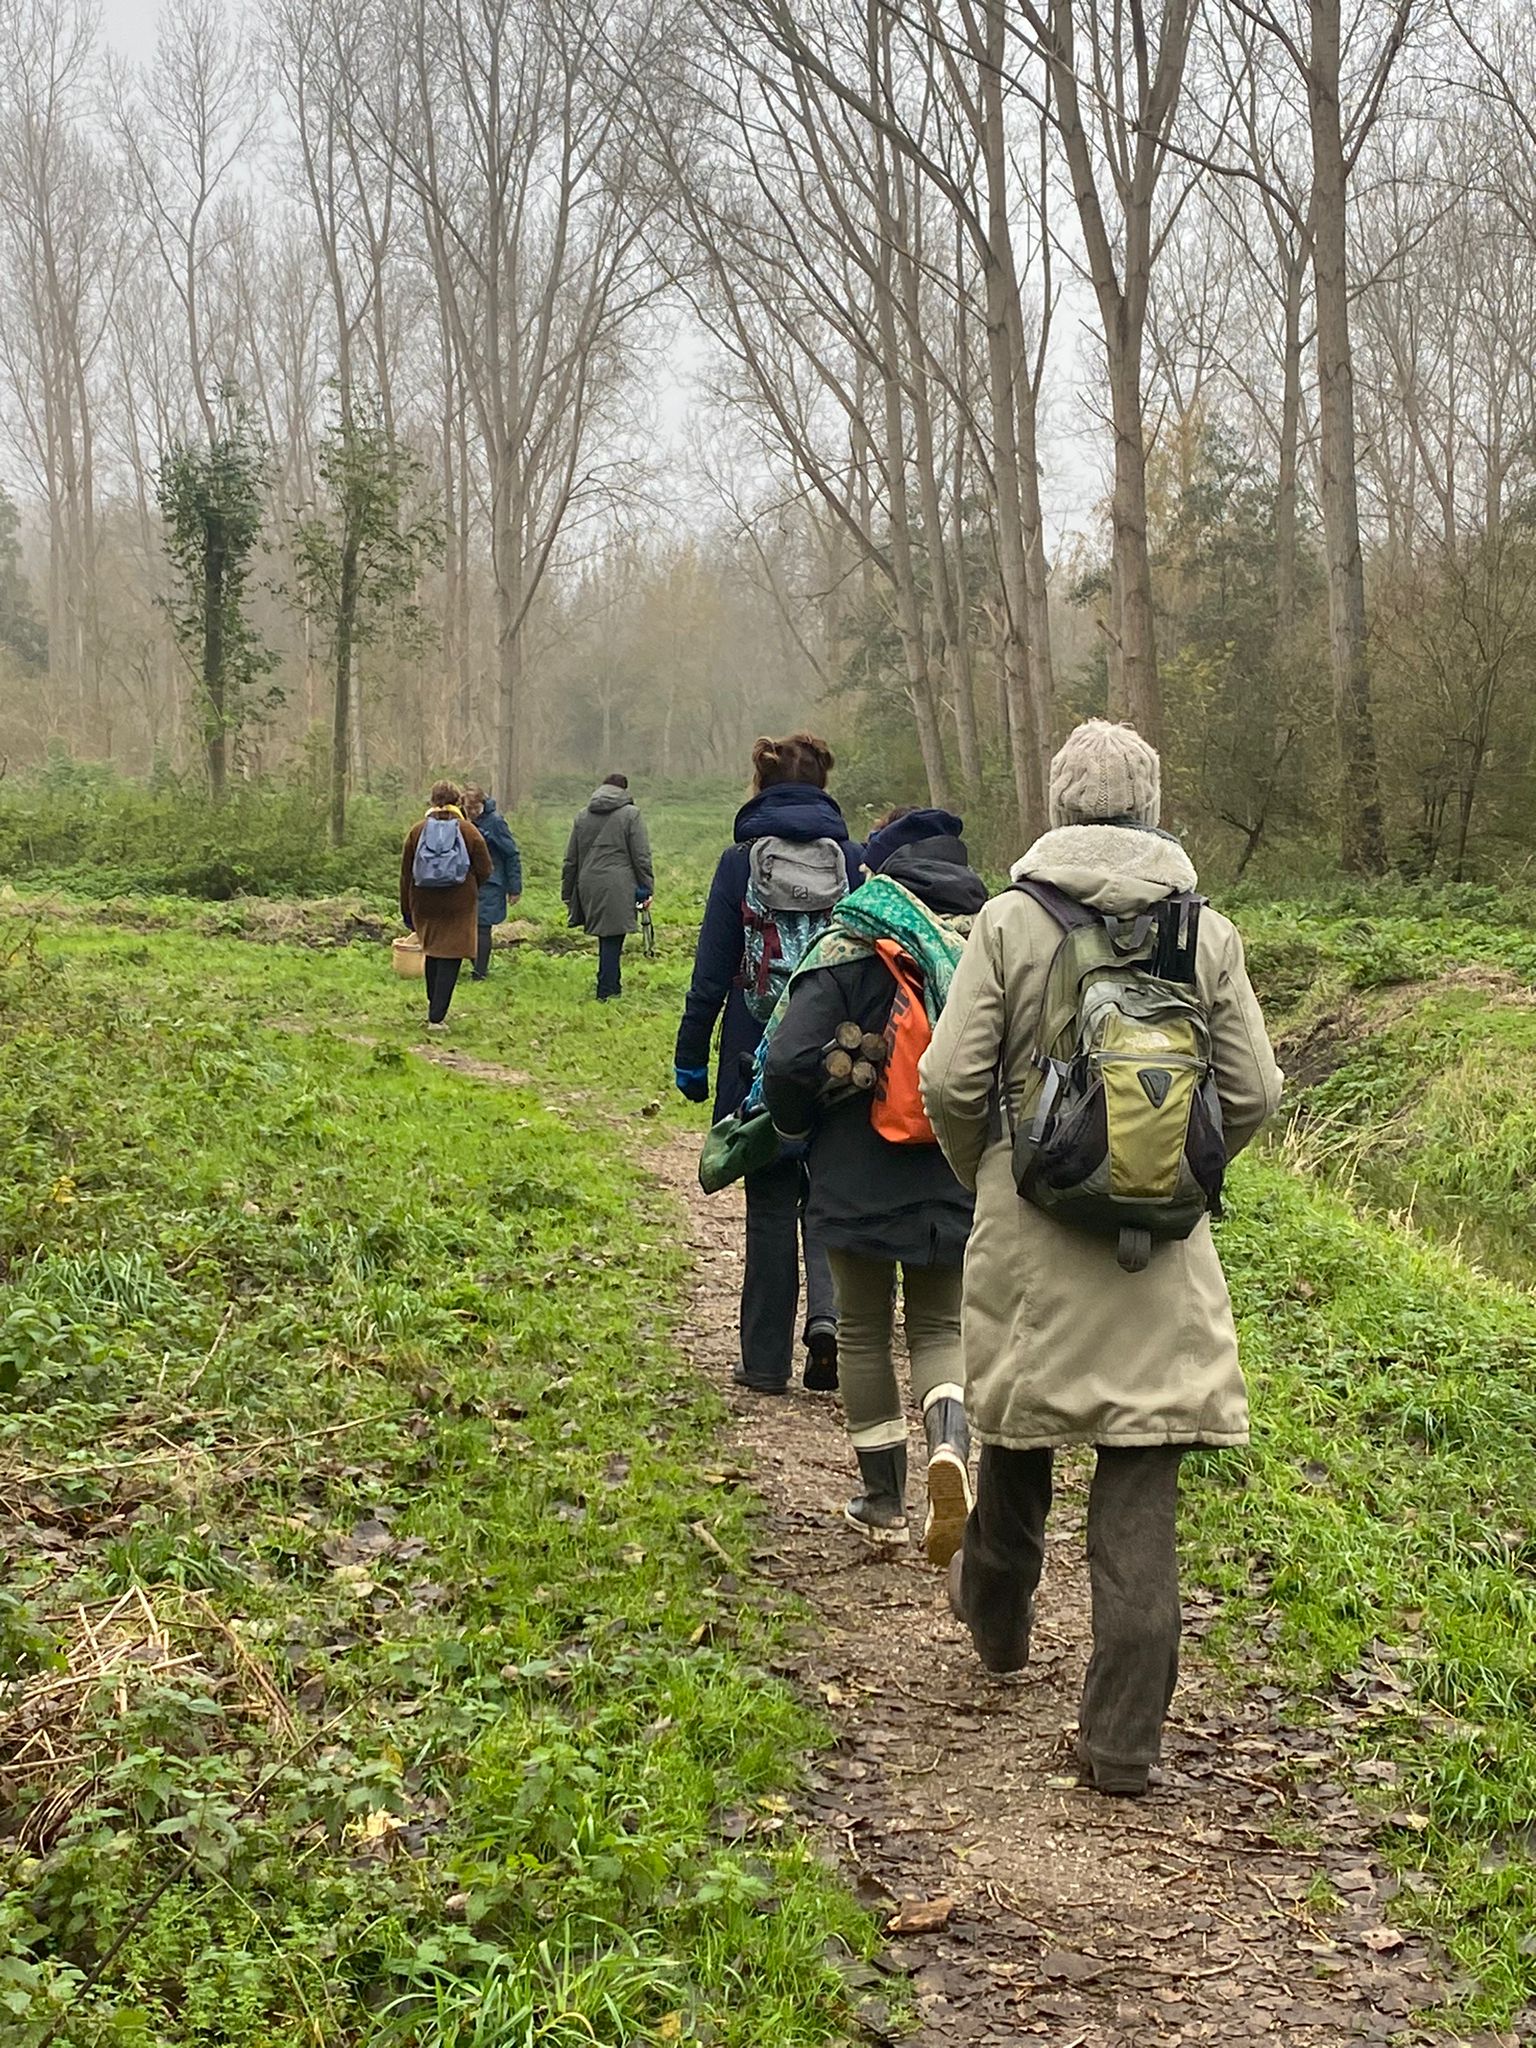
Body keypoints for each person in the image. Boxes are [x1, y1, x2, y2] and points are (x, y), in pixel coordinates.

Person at [921, 720, 1283, 1797]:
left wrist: (986, 1165)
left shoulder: (1008, 920)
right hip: (1158, 1251)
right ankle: (1122, 1744)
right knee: (1139, 1479)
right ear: (1152, 803)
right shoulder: (1204, 929)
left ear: (1061, 801)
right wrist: (1180, 1165)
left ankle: (997, 1623)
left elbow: (949, 1077)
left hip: (1031, 1231)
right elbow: (1257, 1088)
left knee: (1019, 1435)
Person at [761, 807, 988, 1563]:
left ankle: (883, 1500)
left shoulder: (854, 940)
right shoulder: (987, 943)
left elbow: (790, 1061)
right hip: (956, 1165)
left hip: (858, 1170)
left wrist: (796, 1127)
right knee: (940, 1329)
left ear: (883, 869)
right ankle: (950, 1449)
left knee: (861, 1329)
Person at [674, 733, 863, 1395]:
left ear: (762, 786)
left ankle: (762, 1363)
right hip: (842, 1056)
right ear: (822, 787)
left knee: (772, 1203)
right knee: (830, 1197)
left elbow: (709, 973)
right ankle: (828, 1321)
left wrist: (691, 1057)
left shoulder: (739, 864)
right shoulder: (853, 861)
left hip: (760, 1059)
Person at [400, 780, 492, 1031]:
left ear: (432, 801)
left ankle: (434, 1008)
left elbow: (406, 874)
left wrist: (407, 909)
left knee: (432, 950)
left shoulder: (417, 831)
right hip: (458, 904)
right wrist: (469, 887)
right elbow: (485, 869)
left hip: (424, 901)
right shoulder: (468, 830)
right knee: (450, 955)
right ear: (458, 801)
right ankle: (437, 1017)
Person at [562, 773, 654, 1001]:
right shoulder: (631, 815)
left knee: (608, 937)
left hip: (588, 883)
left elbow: (571, 859)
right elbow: (641, 856)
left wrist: (567, 893)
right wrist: (647, 887)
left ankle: (611, 986)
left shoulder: (582, 816)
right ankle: (607, 991)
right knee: (612, 938)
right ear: (624, 790)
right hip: (618, 884)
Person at [463, 785, 523, 981]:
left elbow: (511, 854)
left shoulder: (496, 822)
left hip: (492, 881)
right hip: (468, 880)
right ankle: (476, 965)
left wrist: (515, 887)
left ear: (482, 804)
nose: (471, 813)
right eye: (468, 808)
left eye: (475, 808)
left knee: (482, 925)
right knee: (468, 925)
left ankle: (480, 972)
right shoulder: (462, 821)